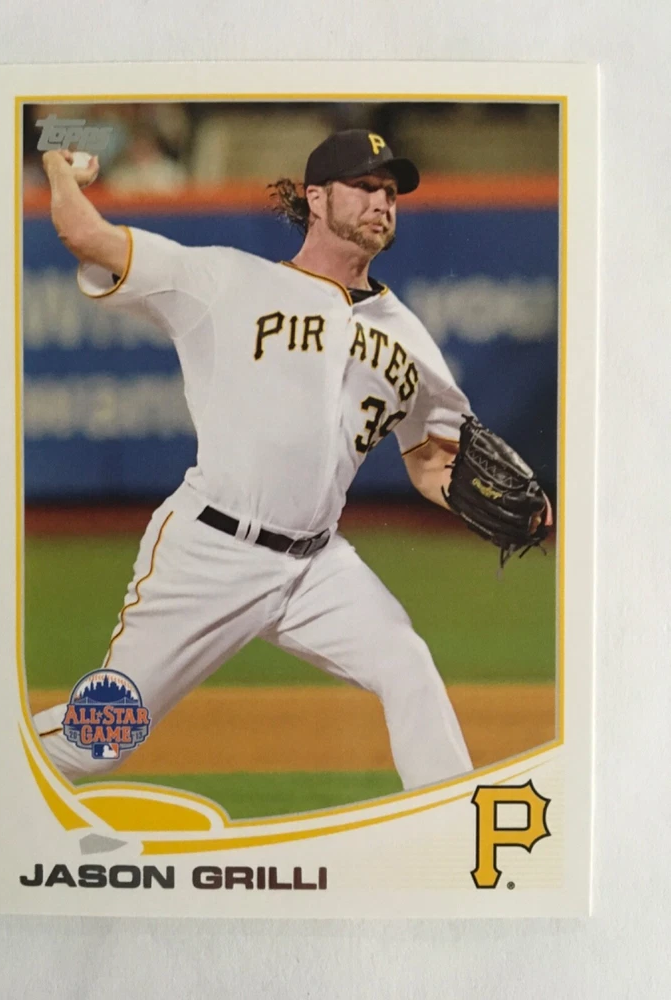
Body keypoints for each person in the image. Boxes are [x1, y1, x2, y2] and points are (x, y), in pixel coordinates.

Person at [33, 129, 530, 790]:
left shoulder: (408, 337)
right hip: (212, 552)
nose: (382, 202)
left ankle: (448, 828)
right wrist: (57, 160)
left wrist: (501, 502)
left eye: (390, 191)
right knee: (100, 740)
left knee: (407, 664)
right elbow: (86, 235)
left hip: (317, 566)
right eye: (365, 186)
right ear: (316, 198)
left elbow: (431, 457)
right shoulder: (226, 280)